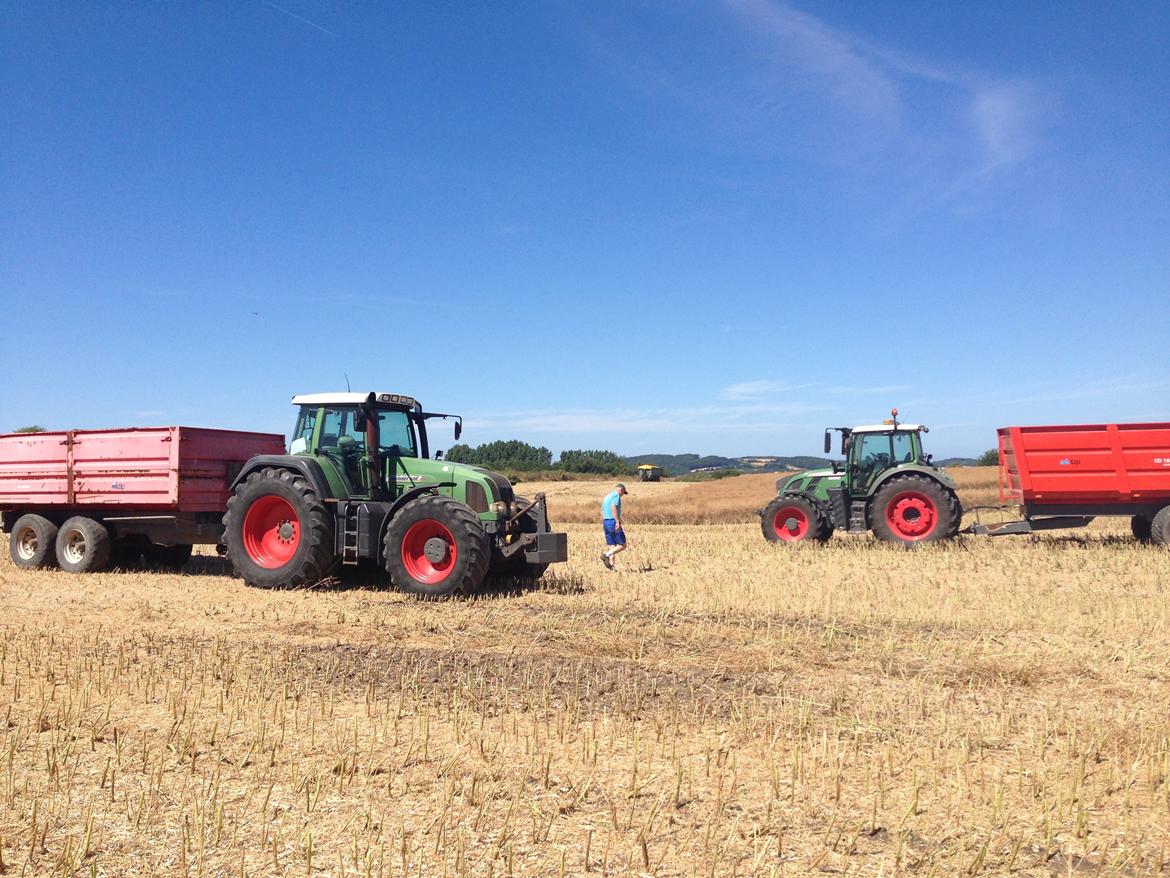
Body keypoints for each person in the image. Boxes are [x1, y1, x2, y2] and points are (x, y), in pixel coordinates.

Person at [600, 483, 629, 569]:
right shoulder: (616, 496)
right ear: (621, 490)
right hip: (613, 521)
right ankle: (606, 555)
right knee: (622, 545)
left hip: (606, 521)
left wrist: (606, 520)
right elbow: (613, 507)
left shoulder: (607, 497)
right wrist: (617, 521)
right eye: (623, 493)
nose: (622, 495)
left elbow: (602, 510)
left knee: (612, 545)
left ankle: (611, 566)